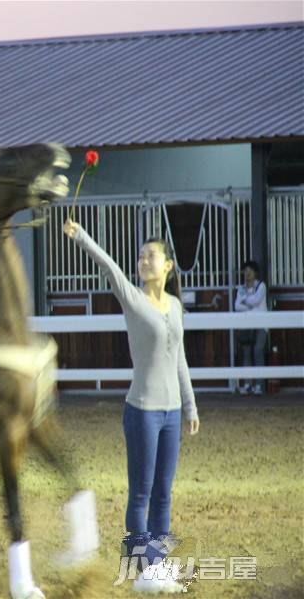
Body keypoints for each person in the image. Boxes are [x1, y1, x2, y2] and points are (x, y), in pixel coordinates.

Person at [63, 218, 200, 592]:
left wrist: (190, 407)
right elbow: (108, 264)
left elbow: (179, 358)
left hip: (171, 413)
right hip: (141, 410)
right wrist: (82, 238)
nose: (143, 261)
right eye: (140, 256)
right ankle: (143, 571)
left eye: (150, 256)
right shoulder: (133, 298)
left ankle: (158, 565)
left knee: (163, 492)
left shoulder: (173, 305)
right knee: (140, 492)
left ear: (168, 265)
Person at [234, 260, 268, 394]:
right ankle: (247, 384)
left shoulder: (261, 285)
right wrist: (251, 304)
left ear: (256, 273)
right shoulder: (241, 288)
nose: (247, 273)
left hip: (261, 325)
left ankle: (259, 385)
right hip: (246, 325)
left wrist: (245, 301)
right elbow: (237, 306)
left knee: (258, 351)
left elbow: (257, 300)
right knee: (246, 353)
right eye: (245, 270)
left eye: (250, 270)